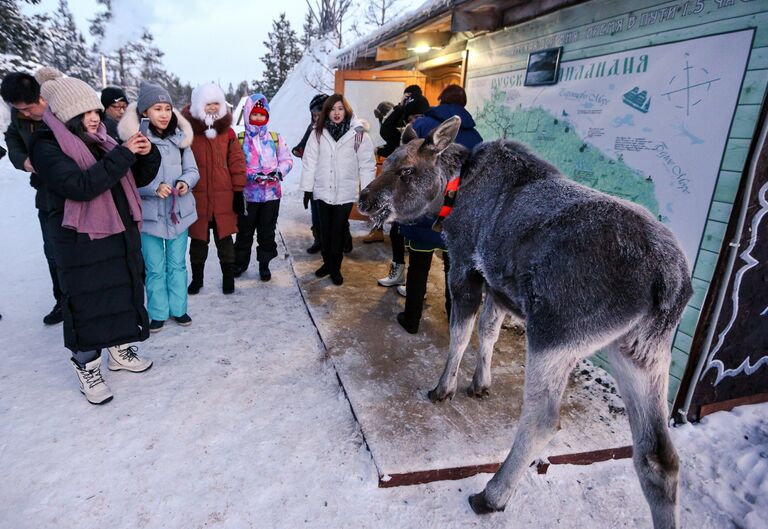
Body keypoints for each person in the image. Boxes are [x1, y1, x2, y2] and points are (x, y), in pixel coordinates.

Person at [29, 67, 161, 404]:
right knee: (89, 303)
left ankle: (118, 352)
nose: (92, 118)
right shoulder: (46, 146)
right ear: (64, 115)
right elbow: (81, 186)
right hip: (81, 242)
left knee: (120, 294)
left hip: (117, 233)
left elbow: (134, 177)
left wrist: (146, 153)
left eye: (94, 111)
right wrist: (124, 153)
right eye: (84, 113)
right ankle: (86, 364)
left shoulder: (103, 139)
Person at [397, 84, 483, 334]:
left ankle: (412, 318)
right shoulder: (475, 137)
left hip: (422, 211)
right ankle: (453, 318)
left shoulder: (423, 127)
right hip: (454, 215)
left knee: (418, 266)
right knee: (453, 269)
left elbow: (404, 167)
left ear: (441, 99)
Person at [118, 81, 199, 332]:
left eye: (167, 108)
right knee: (154, 268)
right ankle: (158, 312)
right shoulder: (137, 142)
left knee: (177, 264)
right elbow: (127, 181)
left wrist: (185, 182)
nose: (164, 114)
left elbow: (193, 170)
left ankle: (179, 309)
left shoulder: (180, 140)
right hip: (150, 217)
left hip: (178, 214)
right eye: (157, 109)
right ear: (144, 113)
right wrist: (153, 189)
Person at [1, 72, 63, 325]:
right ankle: (62, 300)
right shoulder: (20, 115)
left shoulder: (63, 108)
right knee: (52, 251)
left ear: (40, 98)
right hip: (45, 195)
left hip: (74, 194)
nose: (24, 114)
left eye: (27, 109)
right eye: (19, 110)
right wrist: (23, 160)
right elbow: (12, 138)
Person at [300, 94, 376, 285]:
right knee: (324, 233)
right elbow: (310, 162)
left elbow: (367, 165)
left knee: (338, 231)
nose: (336, 113)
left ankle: (336, 268)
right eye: (332, 109)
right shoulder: (317, 133)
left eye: (340, 109)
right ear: (327, 111)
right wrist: (308, 189)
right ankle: (327, 264)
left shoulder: (358, 135)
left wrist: (367, 192)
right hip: (322, 191)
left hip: (345, 193)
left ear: (347, 110)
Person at [182, 83, 247, 295]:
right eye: (207, 104)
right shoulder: (189, 132)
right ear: (199, 105)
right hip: (197, 197)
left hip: (223, 197)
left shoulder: (227, 133)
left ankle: (228, 278)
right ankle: (197, 279)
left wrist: (238, 191)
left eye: (215, 104)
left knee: (225, 240)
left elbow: (237, 161)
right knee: (198, 241)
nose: (211, 108)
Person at [233, 93, 293, 281]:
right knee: (245, 232)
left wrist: (278, 172)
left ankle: (264, 264)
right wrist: (252, 175)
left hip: (271, 196)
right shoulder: (240, 139)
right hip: (248, 196)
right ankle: (240, 263)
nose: (258, 118)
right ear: (248, 114)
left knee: (267, 232)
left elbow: (287, 159)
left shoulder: (275, 138)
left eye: (262, 114)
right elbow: (236, 164)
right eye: (254, 114)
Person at [376, 92, 431, 289]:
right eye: (411, 119)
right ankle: (398, 271)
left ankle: (417, 285)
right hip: (401, 193)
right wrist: (399, 107)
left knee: (419, 244)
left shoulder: (431, 139)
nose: (415, 122)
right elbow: (386, 129)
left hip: (422, 199)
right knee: (396, 232)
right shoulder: (405, 134)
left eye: (418, 117)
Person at [292, 93, 327, 254]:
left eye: (320, 114)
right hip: (314, 176)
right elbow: (302, 145)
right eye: (314, 114)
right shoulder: (311, 128)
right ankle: (319, 239)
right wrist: (298, 150)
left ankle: (342, 239)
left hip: (329, 177)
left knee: (331, 211)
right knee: (316, 209)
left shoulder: (334, 129)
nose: (316, 117)